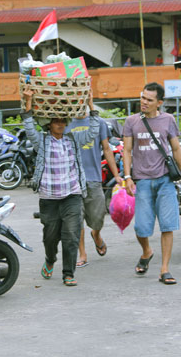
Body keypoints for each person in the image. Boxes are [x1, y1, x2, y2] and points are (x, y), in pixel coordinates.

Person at [21, 86, 99, 287]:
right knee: (50, 237)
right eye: (56, 121)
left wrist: (91, 107)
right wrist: (28, 104)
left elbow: (92, 132)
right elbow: (29, 128)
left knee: (71, 235)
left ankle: (68, 273)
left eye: (63, 121)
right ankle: (50, 259)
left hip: (72, 195)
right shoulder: (42, 141)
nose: (60, 124)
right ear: (49, 125)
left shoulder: (73, 140)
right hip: (49, 198)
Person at [122, 82, 181, 285]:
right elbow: (126, 150)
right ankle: (147, 251)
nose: (144, 102)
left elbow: (176, 149)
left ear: (159, 102)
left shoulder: (168, 120)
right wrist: (127, 177)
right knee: (141, 228)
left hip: (165, 180)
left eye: (149, 100)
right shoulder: (131, 121)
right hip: (142, 181)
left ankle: (165, 269)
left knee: (167, 226)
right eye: (143, 97)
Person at [65, 101, 122, 268]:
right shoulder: (66, 124)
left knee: (98, 217)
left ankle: (96, 234)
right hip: (72, 180)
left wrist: (117, 175)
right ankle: (82, 254)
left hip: (94, 178)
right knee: (77, 218)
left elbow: (106, 148)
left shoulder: (99, 123)